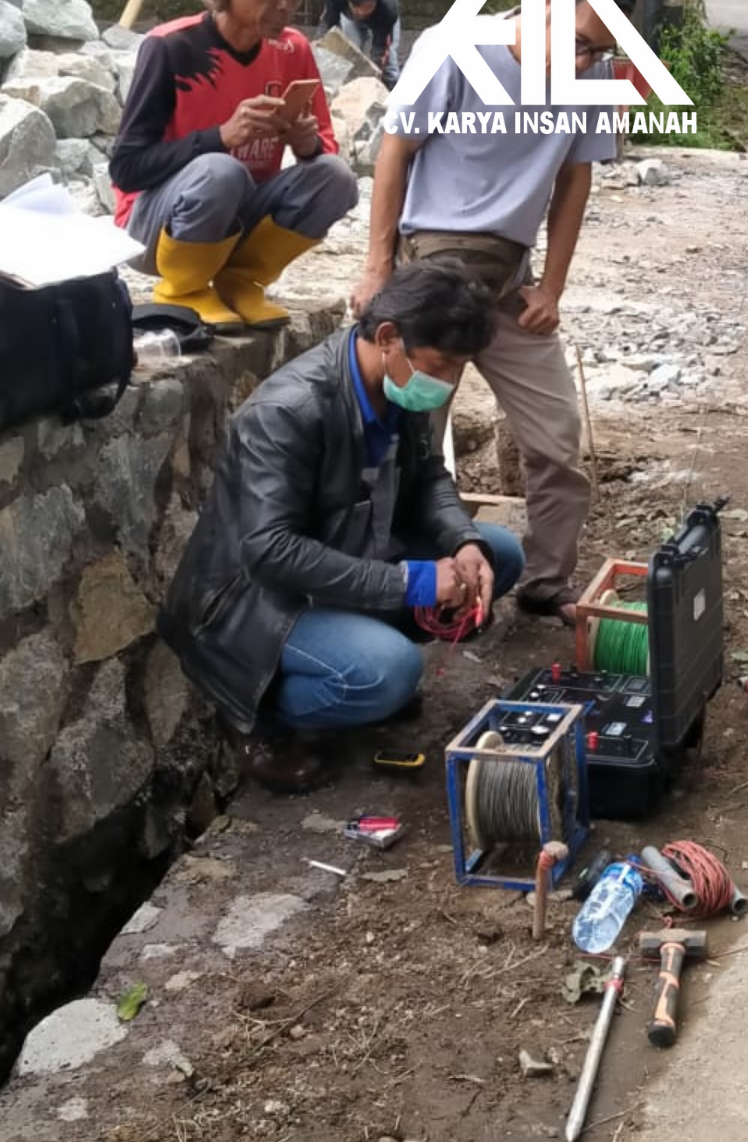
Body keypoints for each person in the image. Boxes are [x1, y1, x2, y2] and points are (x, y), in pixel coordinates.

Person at [158, 261, 525, 795]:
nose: (447, 383)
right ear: (388, 338)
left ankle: (365, 654)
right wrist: (414, 582)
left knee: (498, 553)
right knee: (387, 672)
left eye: (459, 368)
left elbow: (429, 476)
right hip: (255, 601)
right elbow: (270, 551)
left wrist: (462, 541)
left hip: (347, 552)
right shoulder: (288, 411)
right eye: (442, 365)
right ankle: (265, 722)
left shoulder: (396, 384)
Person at [350, 0, 637, 627]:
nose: (585, 63)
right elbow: (396, 150)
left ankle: (544, 582)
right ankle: (410, 588)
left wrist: (552, 289)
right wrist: (377, 268)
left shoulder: (592, 79)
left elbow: (574, 178)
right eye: (580, 42)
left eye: (600, 51)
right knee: (410, 437)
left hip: (510, 282)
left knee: (557, 439)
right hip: (430, 278)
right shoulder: (456, 48)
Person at [110, 0, 358, 334]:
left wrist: (306, 145)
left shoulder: (292, 49)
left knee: (335, 176)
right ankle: (183, 289)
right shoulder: (172, 47)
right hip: (156, 229)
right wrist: (220, 137)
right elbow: (126, 169)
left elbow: (324, 150)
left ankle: (240, 281)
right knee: (220, 169)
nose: (286, 5)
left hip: (239, 220)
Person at [317, 0, 402, 88]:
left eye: (367, 7)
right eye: (357, 6)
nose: (362, 12)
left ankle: (393, 91)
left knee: (390, 65)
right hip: (350, 16)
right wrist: (319, 55)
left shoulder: (388, 6)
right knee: (351, 53)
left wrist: (374, 78)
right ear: (348, 0)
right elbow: (327, 25)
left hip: (381, 17)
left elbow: (381, 48)